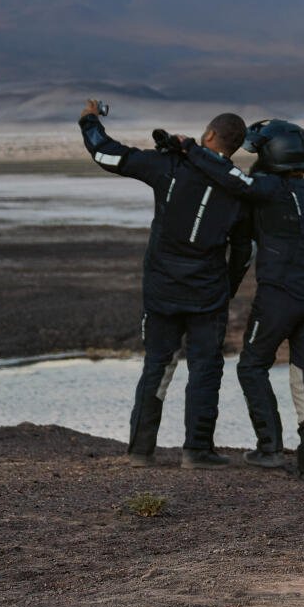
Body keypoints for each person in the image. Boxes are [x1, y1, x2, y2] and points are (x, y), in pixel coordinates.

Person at [76, 99, 251, 468]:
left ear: (209, 135)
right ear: (235, 146)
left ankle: (141, 451)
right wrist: (228, 289)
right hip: (208, 294)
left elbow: (107, 155)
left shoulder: (169, 165)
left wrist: (89, 120)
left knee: (157, 364)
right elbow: (243, 251)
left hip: (162, 289)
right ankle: (197, 451)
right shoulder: (239, 188)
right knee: (205, 367)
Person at [182, 119, 304, 480]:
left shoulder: (271, 188)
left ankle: (270, 449)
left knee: (251, 366)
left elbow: (234, 181)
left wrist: (191, 151)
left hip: (281, 296)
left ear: (273, 154)